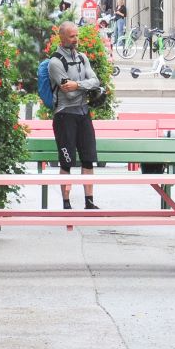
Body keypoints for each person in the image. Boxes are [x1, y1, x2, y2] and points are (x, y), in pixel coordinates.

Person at [49, 21, 101, 210]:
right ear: (62, 38)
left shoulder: (82, 58)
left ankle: (89, 201)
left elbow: (95, 81)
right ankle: (66, 203)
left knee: (88, 159)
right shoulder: (55, 63)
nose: (76, 39)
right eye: (72, 36)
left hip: (83, 113)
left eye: (77, 35)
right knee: (67, 161)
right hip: (65, 116)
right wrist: (87, 86)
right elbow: (68, 94)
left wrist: (78, 85)